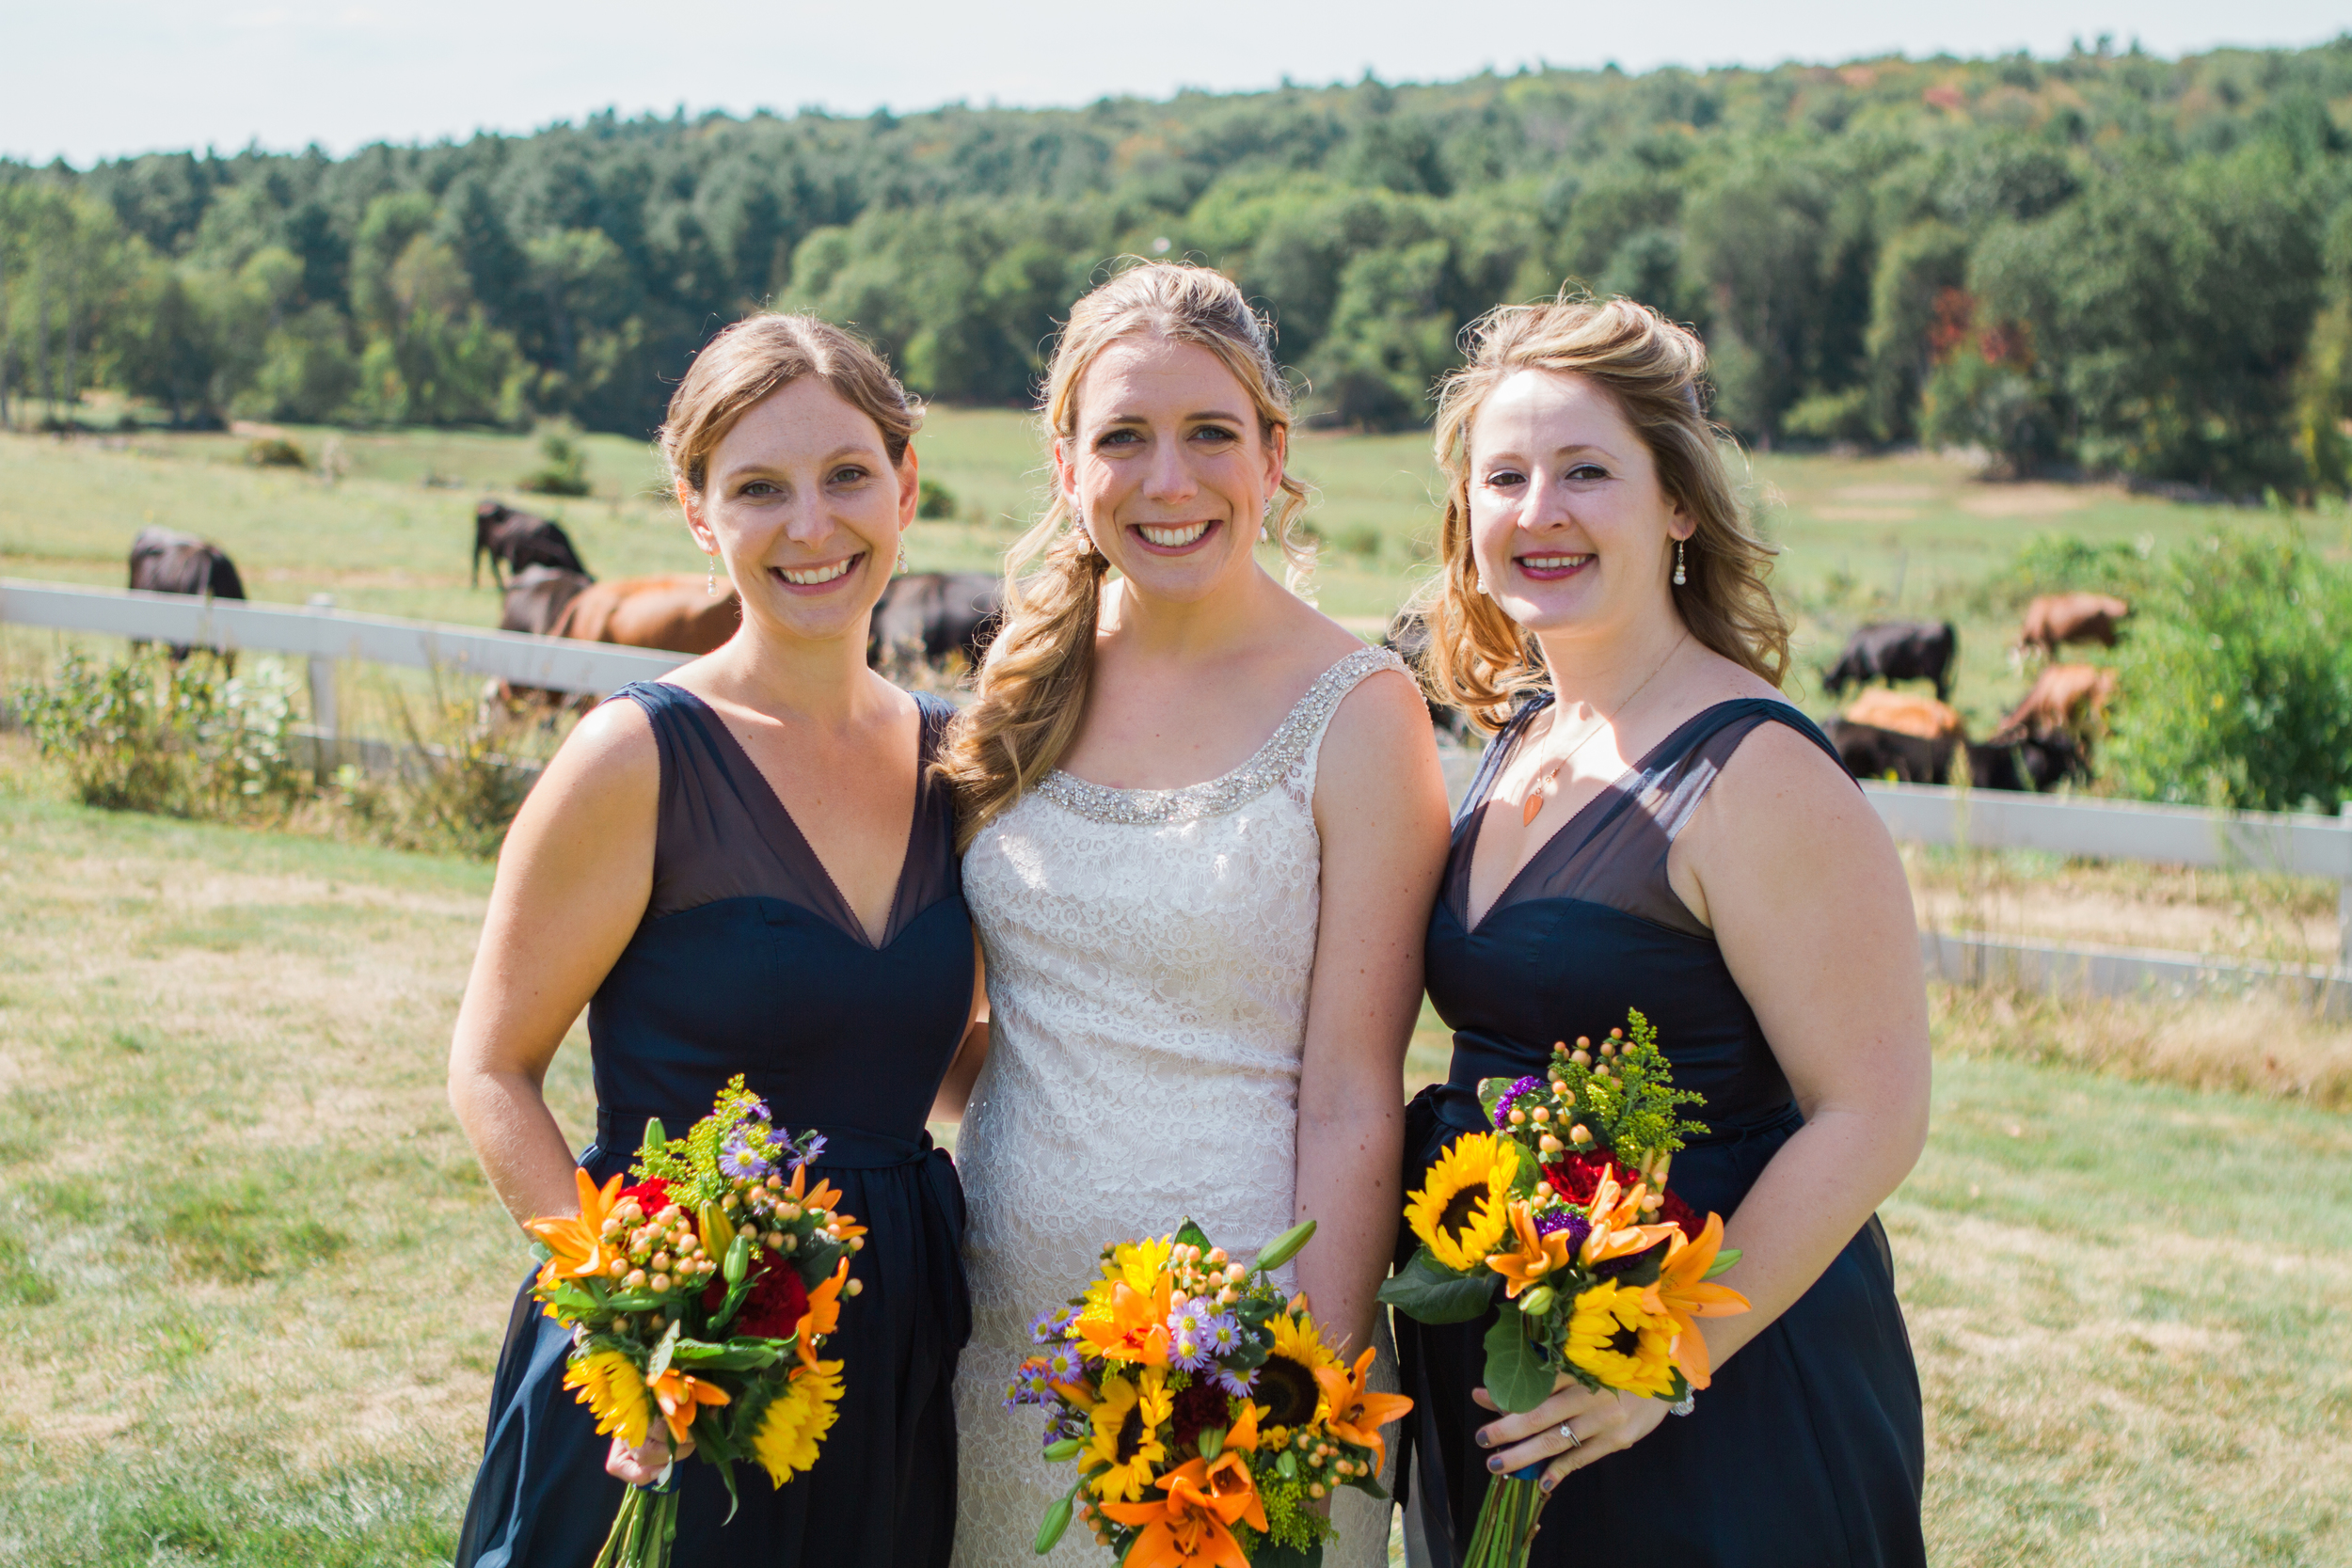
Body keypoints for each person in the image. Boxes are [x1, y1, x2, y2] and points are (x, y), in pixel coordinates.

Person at [1393, 295, 1930, 1567]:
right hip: (1519, 1354)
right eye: (1506, 476)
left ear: (1678, 502)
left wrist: (1665, 1362)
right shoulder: (1520, 736)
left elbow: (1873, 1113)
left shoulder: (1756, 770)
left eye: (1588, 471)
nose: (1541, 511)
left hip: (1717, 1389)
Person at [934, 261, 1453, 1567]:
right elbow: (972, 1022)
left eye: (1210, 433)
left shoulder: (1359, 711)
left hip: (1247, 1364)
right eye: (1123, 438)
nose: (1170, 481)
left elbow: (1351, 1093)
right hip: (1006, 1342)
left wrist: (1307, 1408)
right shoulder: (1020, 682)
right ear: (1066, 464)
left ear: (1274, 454)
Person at [449, 314, 984, 1568]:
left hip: (898, 1322)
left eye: (848, 475)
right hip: (686, 1329)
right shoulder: (635, 758)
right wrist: (624, 1312)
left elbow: (940, 1047)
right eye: (758, 488)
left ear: (904, 486)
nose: (812, 525)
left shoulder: (962, 761)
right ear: (698, 513)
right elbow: (490, 1069)